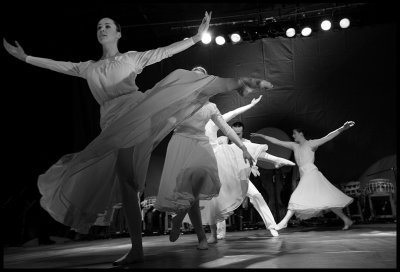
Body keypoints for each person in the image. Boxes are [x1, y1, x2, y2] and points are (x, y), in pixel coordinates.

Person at [4, 12, 274, 266]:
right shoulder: (88, 67)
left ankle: (240, 82)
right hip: (111, 123)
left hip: (136, 111)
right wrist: (26, 58)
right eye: (99, 27)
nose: (102, 29)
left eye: (108, 25)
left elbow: (164, 52)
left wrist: (194, 38)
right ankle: (136, 246)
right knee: (127, 183)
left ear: (119, 34)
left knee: (182, 81)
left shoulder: (131, 58)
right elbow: (58, 66)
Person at [153, 66, 268, 250]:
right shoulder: (181, 102)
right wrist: (152, 141)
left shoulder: (210, 106)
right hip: (182, 143)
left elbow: (227, 129)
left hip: (201, 145)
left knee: (199, 179)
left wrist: (243, 148)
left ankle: (179, 221)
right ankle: (201, 238)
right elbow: (167, 123)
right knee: (192, 196)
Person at [251, 121, 355, 231]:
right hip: (305, 175)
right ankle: (347, 220)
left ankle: (283, 223)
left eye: (294, 133)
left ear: (301, 134)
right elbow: (277, 142)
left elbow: (328, 137)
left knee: (295, 197)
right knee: (327, 199)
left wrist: (343, 128)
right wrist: (262, 136)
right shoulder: (294, 146)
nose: (293, 135)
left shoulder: (311, 144)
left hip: (312, 174)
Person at [203, 120, 295, 242]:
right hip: (226, 178)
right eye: (234, 132)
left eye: (239, 133)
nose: (237, 135)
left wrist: (257, 165)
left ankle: (272, 226)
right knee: (220, 202)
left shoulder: (246, 143)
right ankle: (220, 233)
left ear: (242, 132)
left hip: (241, 178)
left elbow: (257, 156)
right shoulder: (222, 140)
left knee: (257, 196)